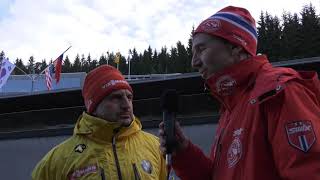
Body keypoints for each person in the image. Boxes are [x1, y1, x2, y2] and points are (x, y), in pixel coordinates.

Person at [159, 5, 320, 180]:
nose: (194, 62)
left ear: (236, 47)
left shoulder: (279, 91)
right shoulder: (231, 108)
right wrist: (184, 153)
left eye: (201, 49)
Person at [32, 65, 166, 180]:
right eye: (116, 98)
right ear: (94, 106)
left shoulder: (156, 147)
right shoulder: (56, 161)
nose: (126, 105)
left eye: (129, 97)